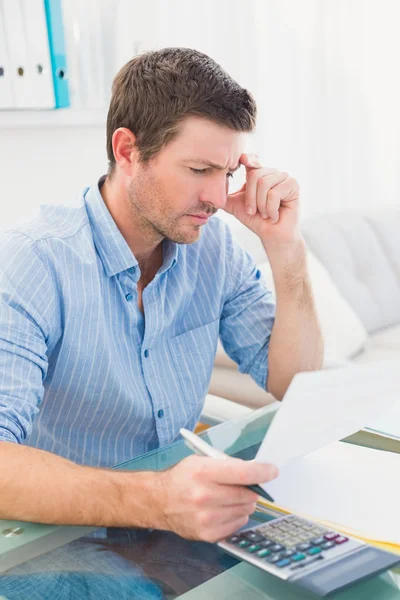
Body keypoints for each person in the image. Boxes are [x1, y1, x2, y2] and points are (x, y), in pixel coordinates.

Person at [0, 48, 323, 544]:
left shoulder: (212, 247)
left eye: (229, 173)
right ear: (128, 150)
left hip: (179, 524)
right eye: (199, 170)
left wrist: (286, 249)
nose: (218, 197)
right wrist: (157, 501)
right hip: (63, 537)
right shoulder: (35, 262)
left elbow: (297, 385)